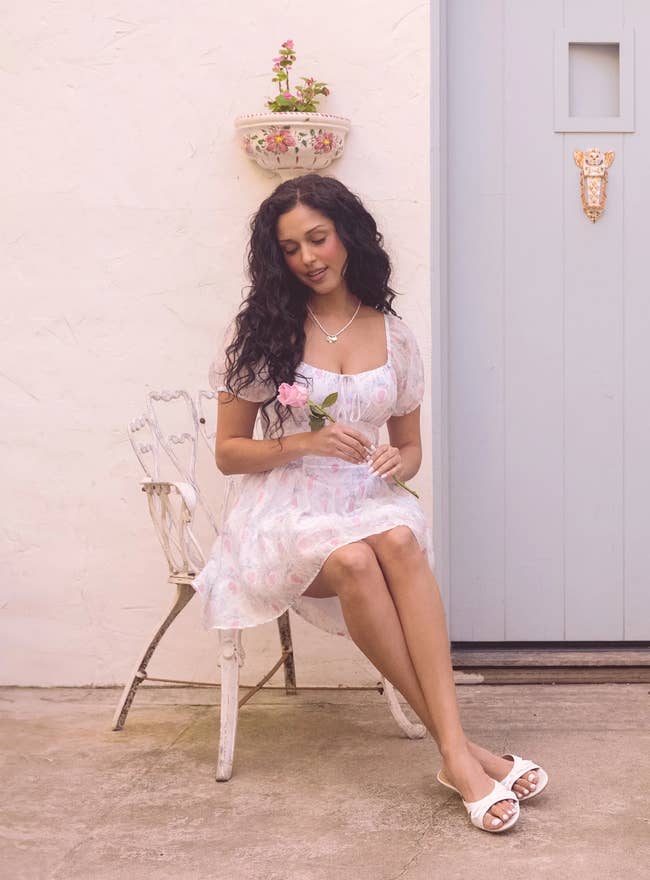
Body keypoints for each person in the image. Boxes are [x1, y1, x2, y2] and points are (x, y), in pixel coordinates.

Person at [193, 174, 548, 833]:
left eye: (318, 239)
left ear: (348, 236)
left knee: (398, 539)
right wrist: (305, 442)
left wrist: (396, 462)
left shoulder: (395, 336)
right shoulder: (263, 333)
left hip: (366, 499)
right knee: (355, 560)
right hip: (286, 513)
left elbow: (409, 449)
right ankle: (462, 753)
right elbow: (229, 453)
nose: (308, 258)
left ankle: (455, 754)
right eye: (291, 248)